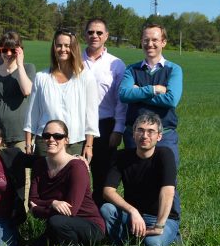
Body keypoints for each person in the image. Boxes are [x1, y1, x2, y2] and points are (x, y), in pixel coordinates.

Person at [101, 113, 180, 246]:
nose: (145, 136)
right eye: (140, 130)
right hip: (133, 217)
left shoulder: (165, 154)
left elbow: (168, 191)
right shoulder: (122, 156)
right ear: (133, 134)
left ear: (159, 136)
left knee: (153, 245)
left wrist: (159, 226)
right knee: (107, 209)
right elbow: (108, 191)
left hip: (161, 218)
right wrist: (133, 211)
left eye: (151, 131)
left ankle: (170, 236)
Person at [28, 120, 105, 246]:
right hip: (58, 223)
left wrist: (37, 210)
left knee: (57, 222)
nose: (51, 139)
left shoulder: (77, 167)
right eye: (47, 136)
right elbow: (33, 200)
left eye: (58, 136)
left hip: (89, 226)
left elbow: (71, 210)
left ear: (66, 140)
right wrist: (53, 203)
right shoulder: (39, 165)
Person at [24, 29, 98, 158]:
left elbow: (91, 115)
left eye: (67, 45)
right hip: (46, 142)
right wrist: (28, 143)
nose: (63, 49)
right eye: (59, 45)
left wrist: (89, 145)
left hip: (75, 143)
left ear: (74, 48)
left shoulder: (86, 77)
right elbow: (32, 113)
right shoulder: (41, 77)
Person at [119, 22, 182, 166]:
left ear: (163, 42)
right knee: (134, 181)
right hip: (134, 136)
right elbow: (123, 95)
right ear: (141, 41)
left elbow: (171, 100)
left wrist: (137, 94)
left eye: (154, 40)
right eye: (146, 40)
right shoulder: (131, 70)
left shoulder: (174, 70)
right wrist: (153, 90)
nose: (150, 44)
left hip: (164, 136)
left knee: (167, 182)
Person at [82, 18, 127, 203]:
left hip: (105, 125)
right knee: (78, 174)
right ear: (85, 34)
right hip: (77, 125)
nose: (95, 36)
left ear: (106, 36)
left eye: (99, 33)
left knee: (102, 177)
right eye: (91, 32)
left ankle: (101, 220)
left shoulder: (116, 64)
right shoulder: (74, 60)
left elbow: (121, 101)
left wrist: (118, 129)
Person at [0, 31, 35, 150]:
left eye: (13, 50)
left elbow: (27, 91)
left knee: (19, 167)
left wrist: (20, 64)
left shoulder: (28, 68)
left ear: (19, 51)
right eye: (4, 50)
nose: (8, 54)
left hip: (19, 134)